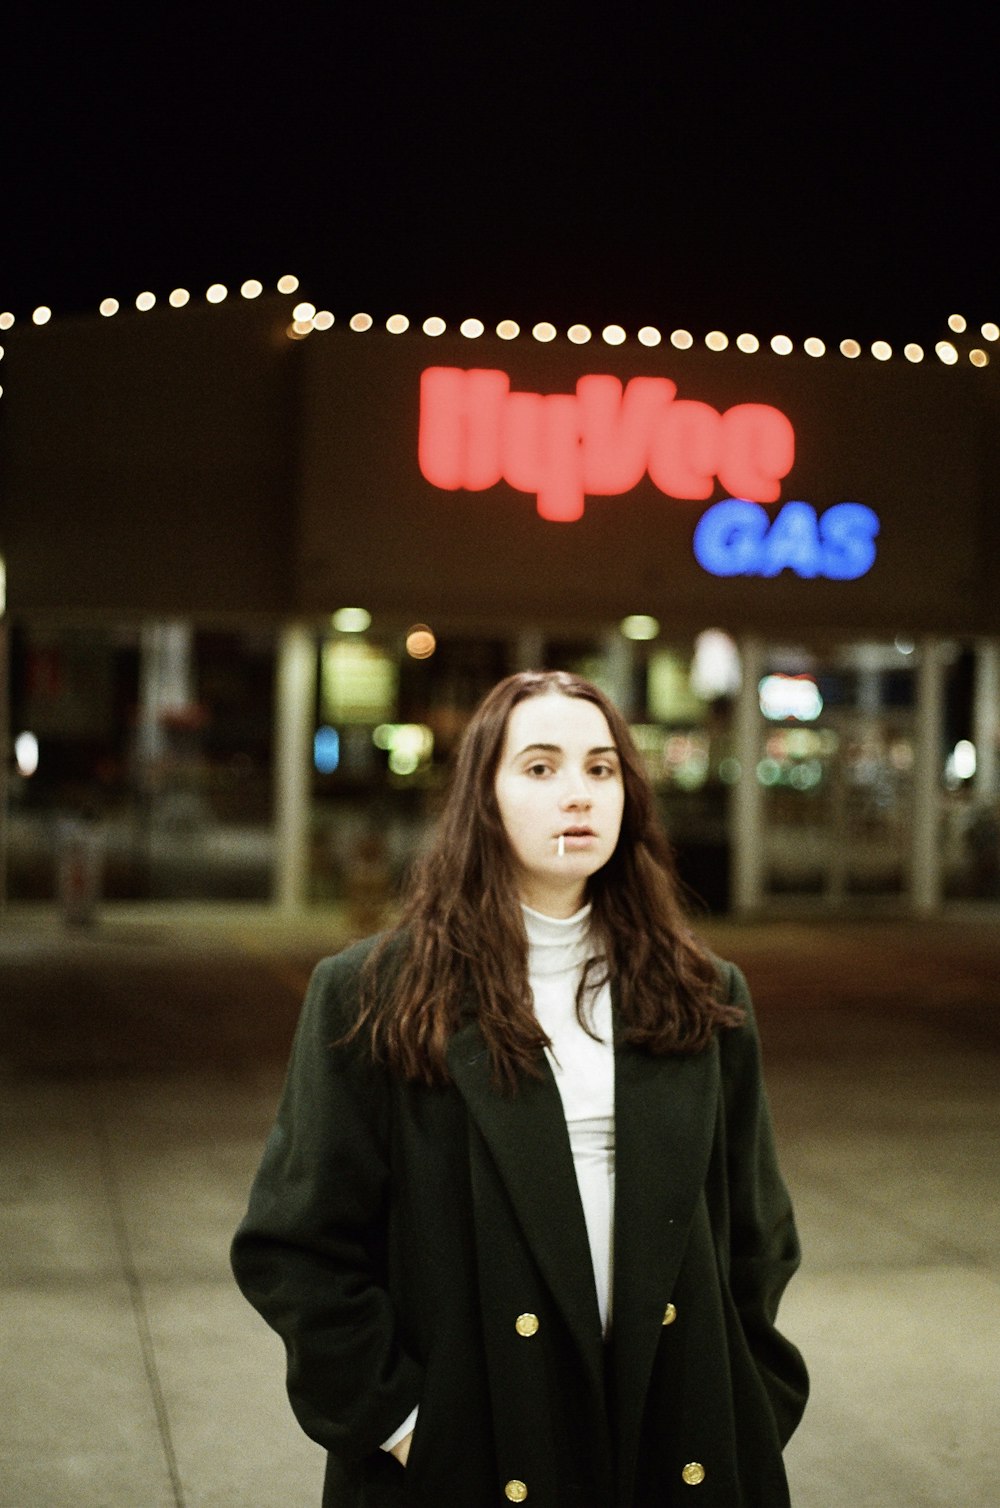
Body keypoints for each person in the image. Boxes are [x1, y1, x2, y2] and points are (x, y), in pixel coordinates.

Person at [231, 670, 808, 1507]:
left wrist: (748, 1401)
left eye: (601, 769)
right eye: (540, 768)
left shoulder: (701, 994)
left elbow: (758, 1238)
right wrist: (401, 1425)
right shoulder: (377, 994)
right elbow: (296, 1247)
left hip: (671, 1434)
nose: (577, 794)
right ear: (484, 797)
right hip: (476, 1449)